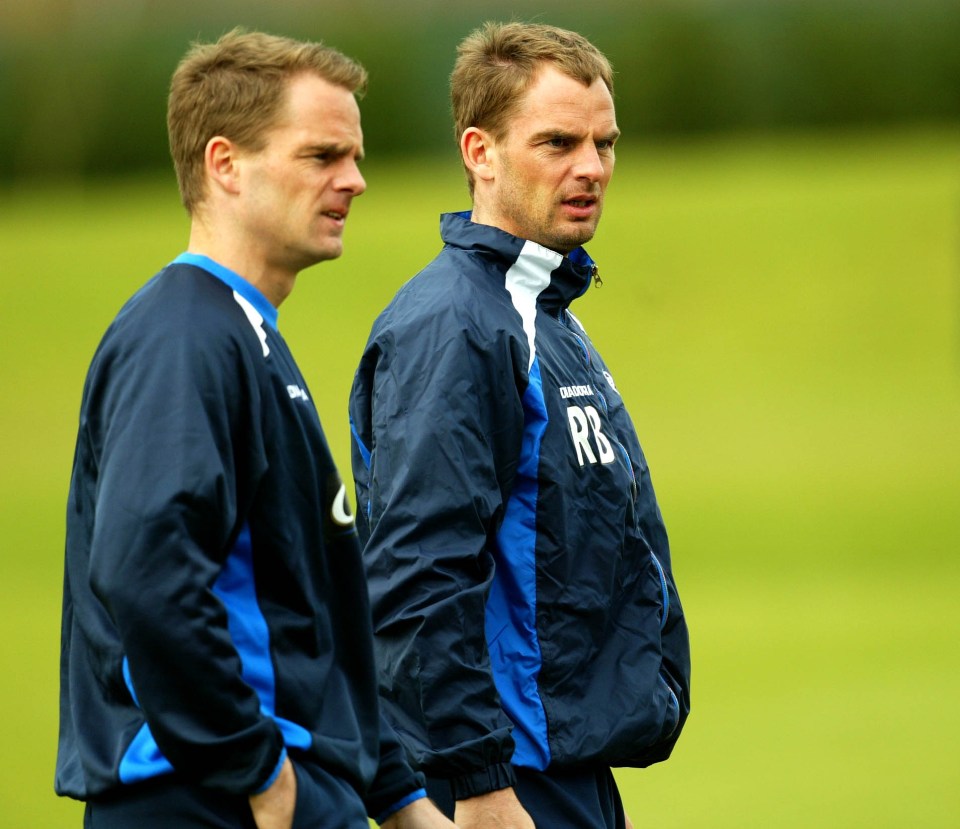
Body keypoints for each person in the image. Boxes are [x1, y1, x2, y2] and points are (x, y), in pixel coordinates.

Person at [55, 29, 456, 829]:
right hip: (208, 797)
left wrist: (398, 796)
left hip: (272, 786)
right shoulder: (183, 338)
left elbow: (305, 608)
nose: (356, 180)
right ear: (224, 164)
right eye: (322, 156)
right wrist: (259, 770)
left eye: (354, 155)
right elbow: (145, 569)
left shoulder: (247, 334)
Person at [349, 21, 692, 829]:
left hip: (564, 773)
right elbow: (420, 570)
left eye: (605, 143)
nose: (591, 168)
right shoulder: (458, 325)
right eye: (558, 142)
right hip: (499, 784)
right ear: (481, 151)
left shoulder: (546, 314)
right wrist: (478, 781)